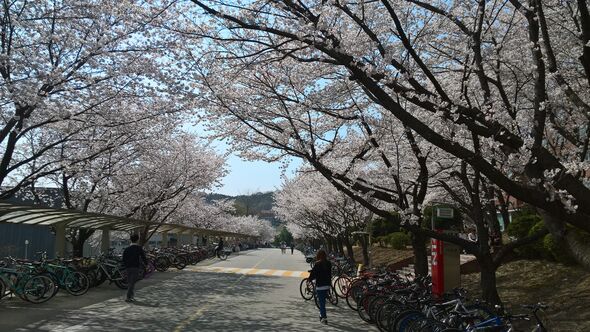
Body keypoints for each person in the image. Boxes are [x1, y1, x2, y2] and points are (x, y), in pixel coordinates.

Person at [308, 249, 332, 324]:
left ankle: (324, 318)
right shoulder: (329, 263)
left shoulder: (317, 264)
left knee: (322, 303)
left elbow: (313, 274)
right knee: (323, 301)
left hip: (320, 285)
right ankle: (322, 315)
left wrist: (309, 279)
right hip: (327, 285)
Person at [122, 234, 148, 303]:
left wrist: (125, 265)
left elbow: (123, 259)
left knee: (130, 282)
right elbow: (143, 257)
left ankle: (131, 296)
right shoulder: (139, 248)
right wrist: (146, 264)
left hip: (128, 267)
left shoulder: (127, 249)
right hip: (135, 267)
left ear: (131, 240)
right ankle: (128, 297)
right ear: (137, 240)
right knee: (132, 282)